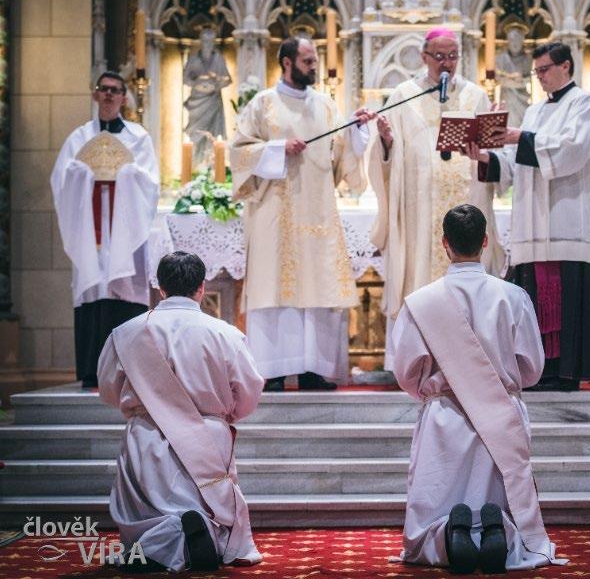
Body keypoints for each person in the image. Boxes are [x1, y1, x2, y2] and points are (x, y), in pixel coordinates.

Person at [391, 205, 562, 572]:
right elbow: (531, 367)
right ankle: (500, 532)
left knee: (438, 502)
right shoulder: (513, 296)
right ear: (485, 242)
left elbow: (406, 371)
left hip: (444, 420)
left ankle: (448, 538)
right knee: (503, 498)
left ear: (444, 244)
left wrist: (432, 391)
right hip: (500, 414)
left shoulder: (421, 302)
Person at [97, 251, 264, 572]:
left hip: (145, 436)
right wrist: (221, 415)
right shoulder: (225, 334)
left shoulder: (126, 334)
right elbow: (248, 391)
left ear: (160, 288)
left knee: (145, 512)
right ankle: (195, 534)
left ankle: (161, 540)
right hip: (206, 438)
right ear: (201, 287)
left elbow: (108, 390)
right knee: (212, 505)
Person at [230, 37, 374, 392]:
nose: (315, 66)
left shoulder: (325, 106)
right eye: (308, 60)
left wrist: (356, 131)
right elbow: (239, 153)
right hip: (273, 218)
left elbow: (341, 160)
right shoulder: (263, 105)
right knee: (275, 289)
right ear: (287, 63)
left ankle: (313, 369)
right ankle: (274, 370)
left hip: (317, 217)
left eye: (315, 60)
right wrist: (278, 149)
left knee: (317, 290)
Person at [467, 41, 590, 392]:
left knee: (564, 300)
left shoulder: (585, 105)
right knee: (532, 298)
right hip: (533, 224)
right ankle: (536, 370)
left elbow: (572, 151)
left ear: (566, 67)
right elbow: (517, 167)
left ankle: (565, 372)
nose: (540, 77)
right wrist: (486, 158)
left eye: (544, 70)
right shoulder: (534, 112)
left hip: (567, 221)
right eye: (537, 72)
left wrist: (519, 137)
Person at [368, 27, 504, 369]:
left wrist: (488, 143)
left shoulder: (475, 96)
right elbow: (385, 156)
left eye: (453, 56)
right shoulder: (403, 94)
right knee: (420, 276)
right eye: (439, 56)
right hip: (419, 210)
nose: (447, 64)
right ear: (423, 57)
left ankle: (472, 356)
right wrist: (384, 141)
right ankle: (418, 359)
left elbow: (491, 154)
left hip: (468, 201)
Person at [50, 71, 159, 388]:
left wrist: (123, 174)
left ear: (125, 98)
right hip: (92, 232)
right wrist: (84, 174)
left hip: (125, 232)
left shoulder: (138, 138)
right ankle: (91, 370)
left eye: (115, 90)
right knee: (93, 292)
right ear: (95, 95)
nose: (109, 95)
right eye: (103, 90)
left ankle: (128, 372)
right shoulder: (79, 138)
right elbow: (61, 179)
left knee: (124, 292)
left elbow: (149, 182)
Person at [183, 26, 232, 141]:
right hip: (197, 101)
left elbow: (228, 79)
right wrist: (197, 83)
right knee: (195, 131)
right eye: (205, 41)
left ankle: (212, 154)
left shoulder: (218, 58)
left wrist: (216, 81)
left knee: (215, 131)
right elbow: (185, 79)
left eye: (210, 42)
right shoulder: (193, 59)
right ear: (201, 42)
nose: (207, 45)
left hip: (213, 99)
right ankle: (195, 155)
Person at [496, 24, 532, 127]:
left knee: (522, 124)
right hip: (507, 97)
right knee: (508, 123)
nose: (514, 43)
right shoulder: (500, 58)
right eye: (512, 40)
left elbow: (528, 79)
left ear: (522, 41)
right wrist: (515, 80)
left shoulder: (528, 58)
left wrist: (515, 80)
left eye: (517, 40)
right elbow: (498, 79)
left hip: (522, 97)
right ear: (508, 41)